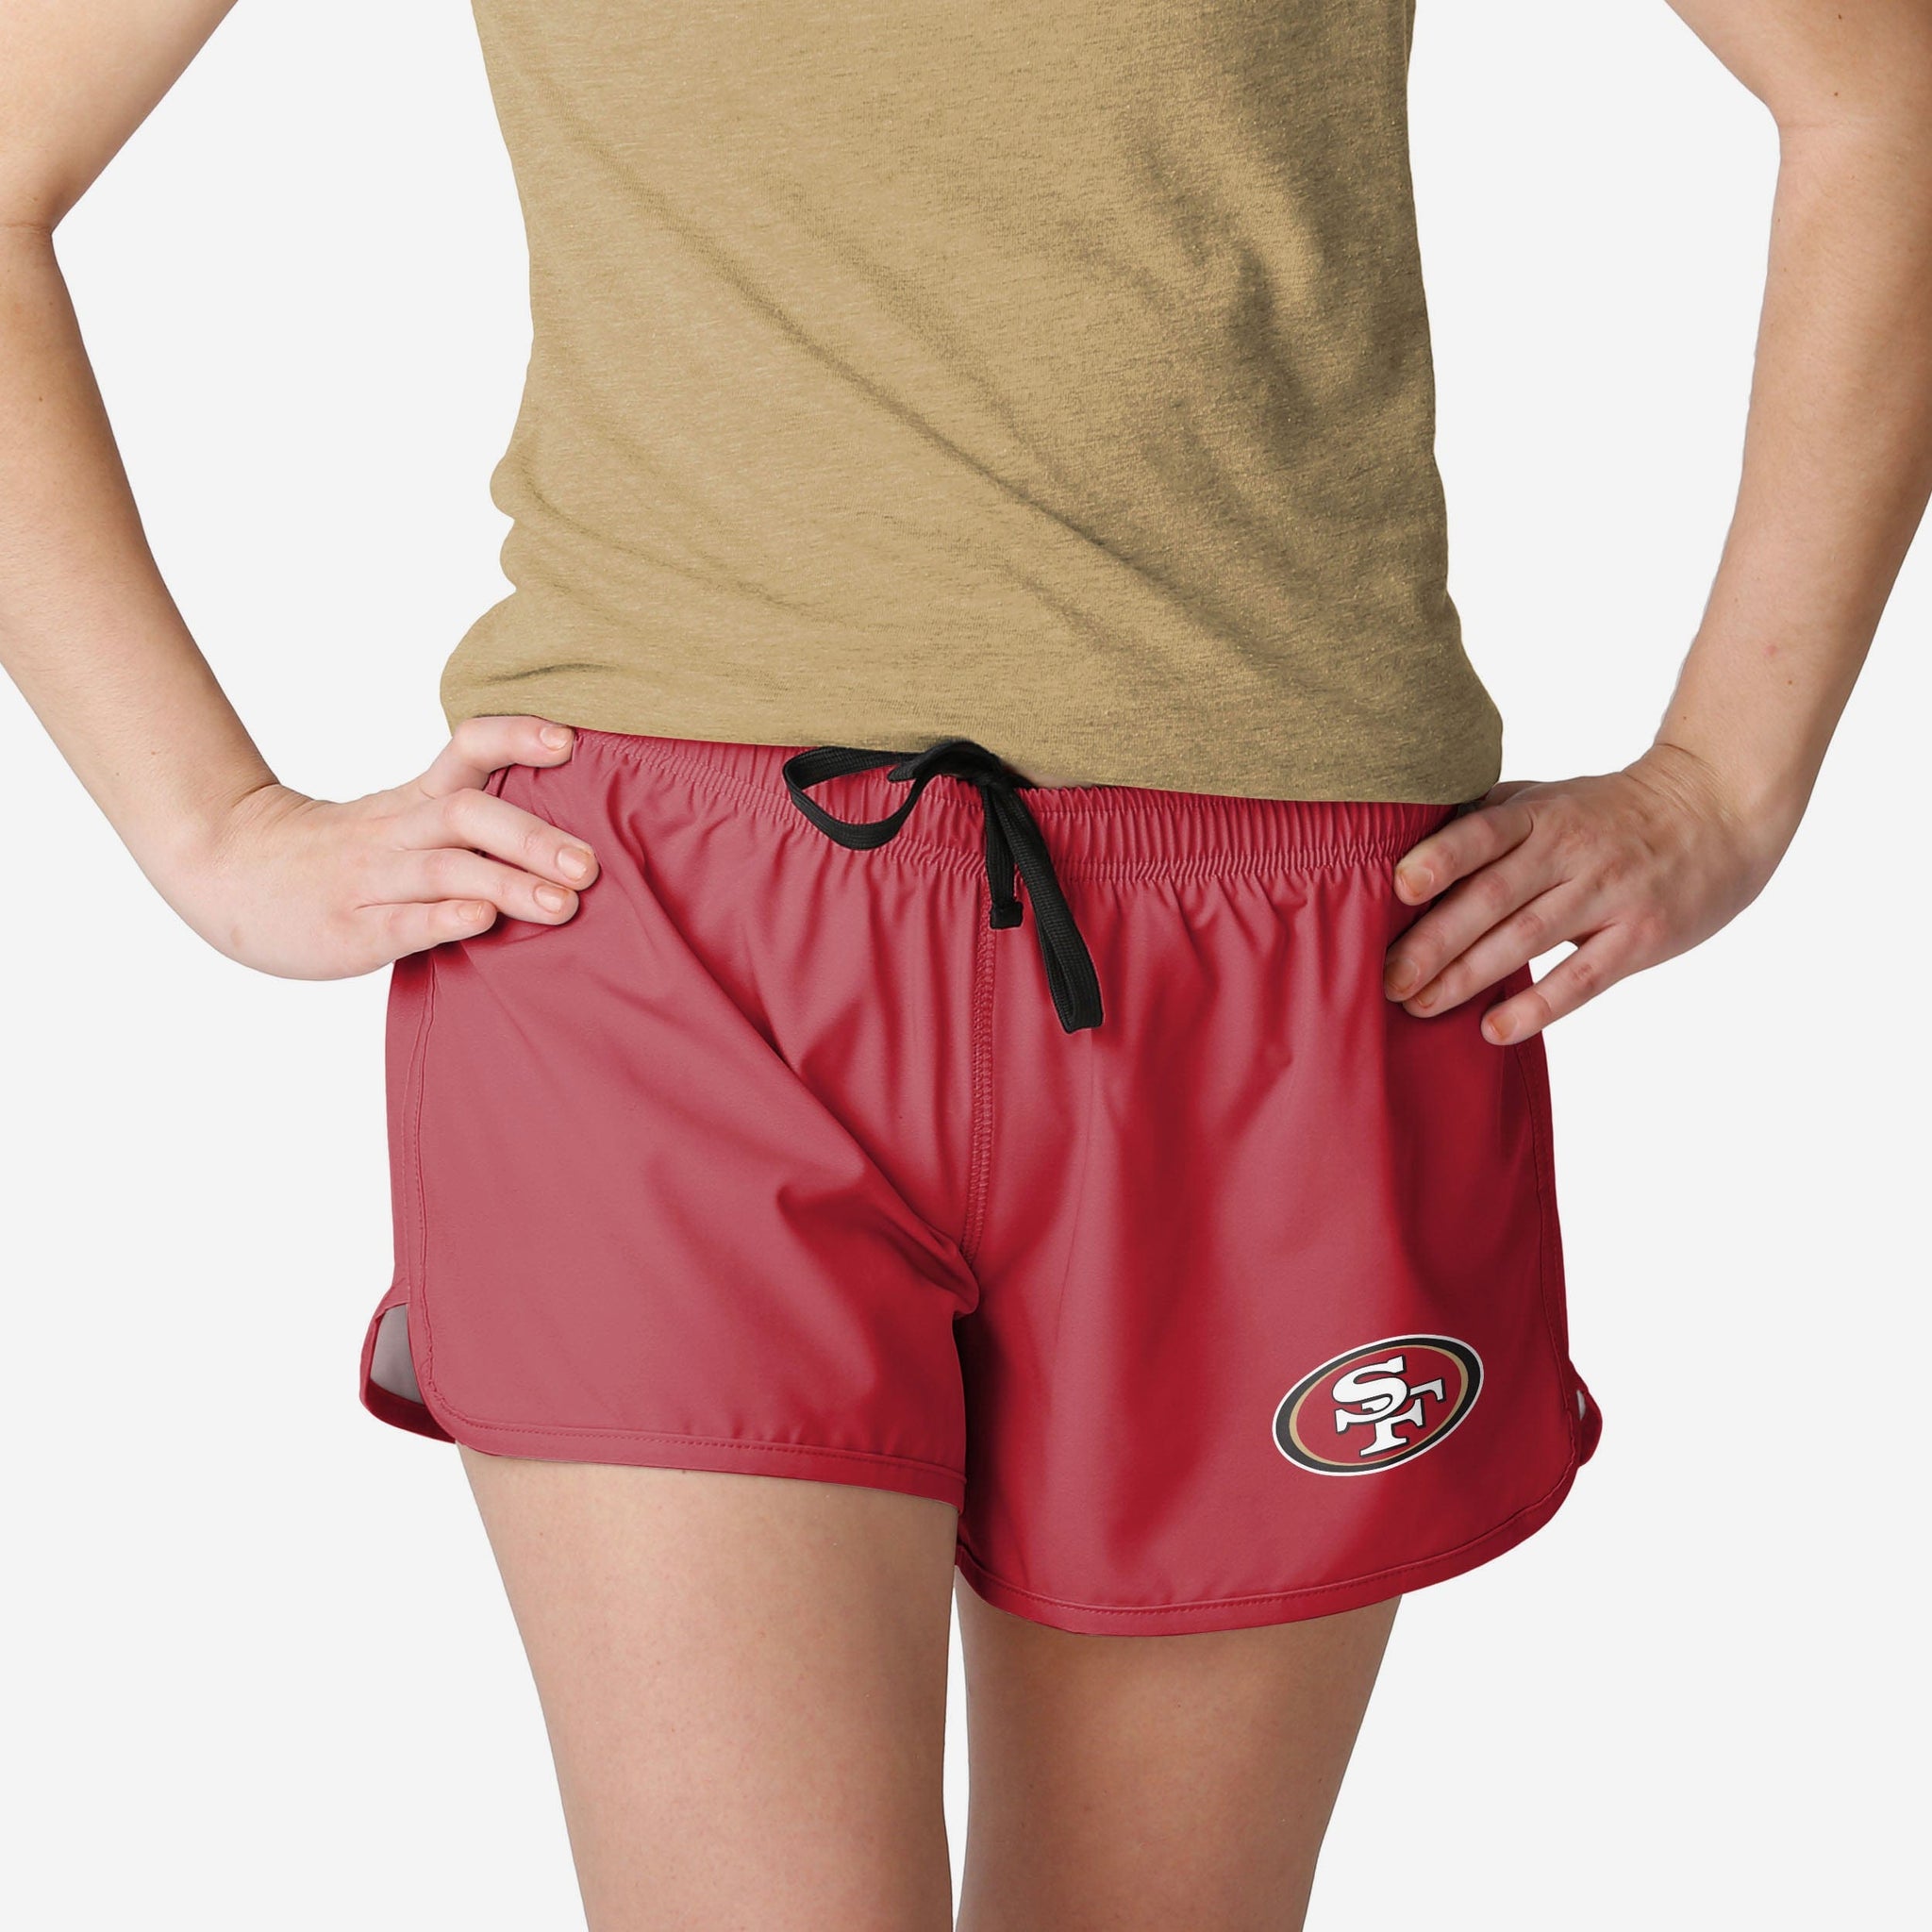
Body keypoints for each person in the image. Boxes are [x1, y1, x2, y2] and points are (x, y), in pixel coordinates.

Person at [4, 1, 1927, 1926]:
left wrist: (1728, 780)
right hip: (660, 936)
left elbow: (1885, 93)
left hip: (1284, 956)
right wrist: (211, 827)